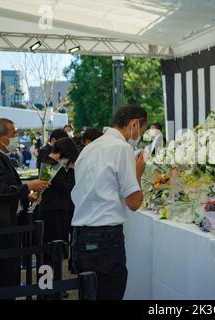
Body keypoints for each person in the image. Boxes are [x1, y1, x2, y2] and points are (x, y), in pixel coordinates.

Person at [71, 105, 147, 300]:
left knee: (89, 294)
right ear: (134, 124)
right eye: (142, 130)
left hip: (80, 235)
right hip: (105, 238)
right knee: (109, 293)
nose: (139, 135)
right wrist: (138, 172)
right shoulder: (122, 148)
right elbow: (134, 202)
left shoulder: (89, 148)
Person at [0, 118, 49, 290]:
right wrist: (28, 187)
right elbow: (2, 191)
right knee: (6, 277)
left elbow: (9, 191)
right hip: (3, 230)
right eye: (13, 134)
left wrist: (25, 197)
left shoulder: (3, 157)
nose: (16, 138)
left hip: (10, 226)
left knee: (11, 274)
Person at [38, 137, 79, 267]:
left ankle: (52, 283)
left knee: (53, 252)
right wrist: (72, 170)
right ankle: (51, 284)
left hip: (53, 211)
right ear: (64, 153)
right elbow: (65, 188)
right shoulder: (51, 165)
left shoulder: (49, 162)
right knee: (53, 251)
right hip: (53, 214)